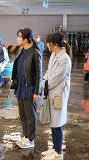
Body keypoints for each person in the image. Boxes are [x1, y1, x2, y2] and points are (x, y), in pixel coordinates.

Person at [41, 32, 72, 160]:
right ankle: (54, 149)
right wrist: (44, 80)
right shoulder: (54, 54)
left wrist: (42, 84)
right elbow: (49, 72)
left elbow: (55, 79)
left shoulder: (64, 59)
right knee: (53, 122)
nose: (46, 45)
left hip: (58, 95)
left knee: (57, 124)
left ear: (54, 44)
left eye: (48, 43)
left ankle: (58, 153)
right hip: (51, 92)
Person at [10, 28, 42, 148]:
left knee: (30, 115)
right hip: (20, 86)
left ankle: (31, 139)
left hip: (30, 87)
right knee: (22, 114)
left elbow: (39, 73)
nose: (17, 39)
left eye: (19, 36)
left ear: (26, 39)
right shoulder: (22, 50)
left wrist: (36, 92)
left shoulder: (35, 52)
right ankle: (26, 136)